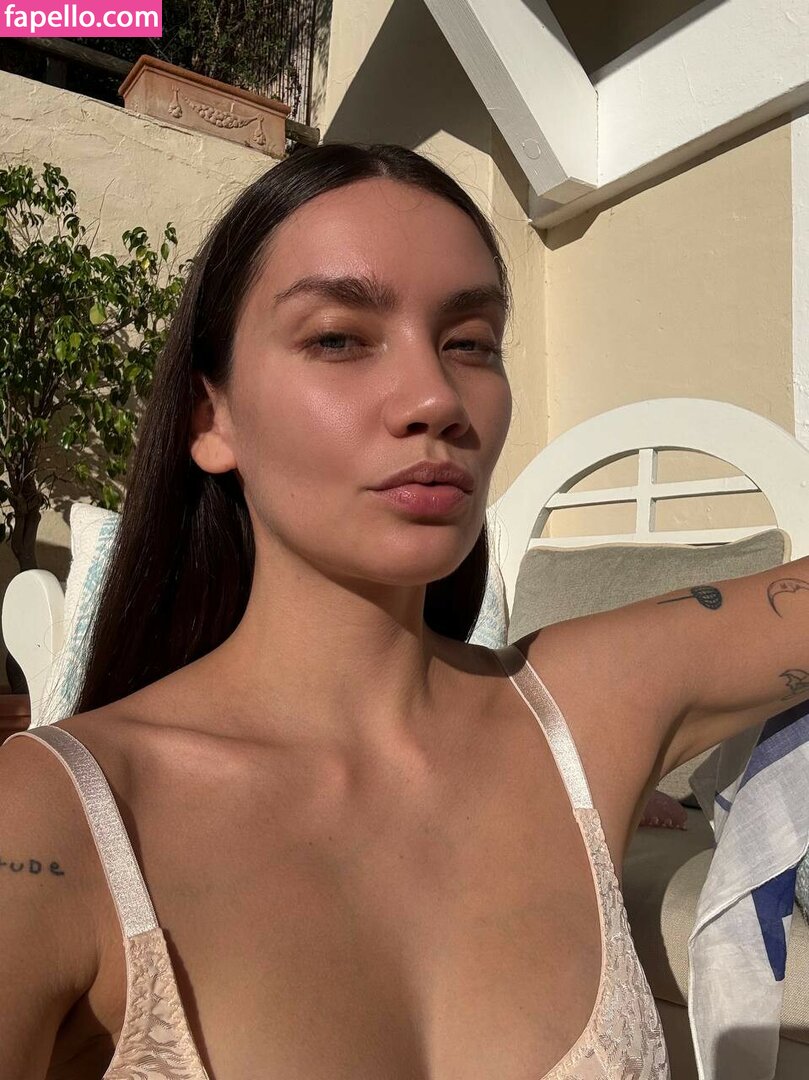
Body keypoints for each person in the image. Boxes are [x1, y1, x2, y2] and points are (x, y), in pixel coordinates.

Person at [0, 142, 804, 1080]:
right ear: (211, 419)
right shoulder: (55, 823)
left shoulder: (583, 710)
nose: (435, 398)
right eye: (338, 339)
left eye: (469, 343)